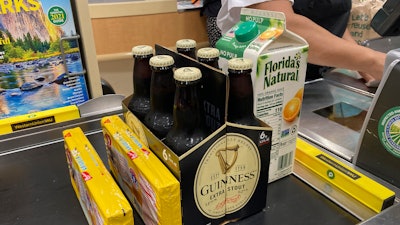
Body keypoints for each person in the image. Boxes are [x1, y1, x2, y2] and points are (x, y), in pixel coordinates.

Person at [216, 0, 386, 84]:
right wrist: (374, 61)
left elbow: (328, 19)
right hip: (264, 82)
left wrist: (361, 65)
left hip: (315, 84)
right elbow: (279, 25)